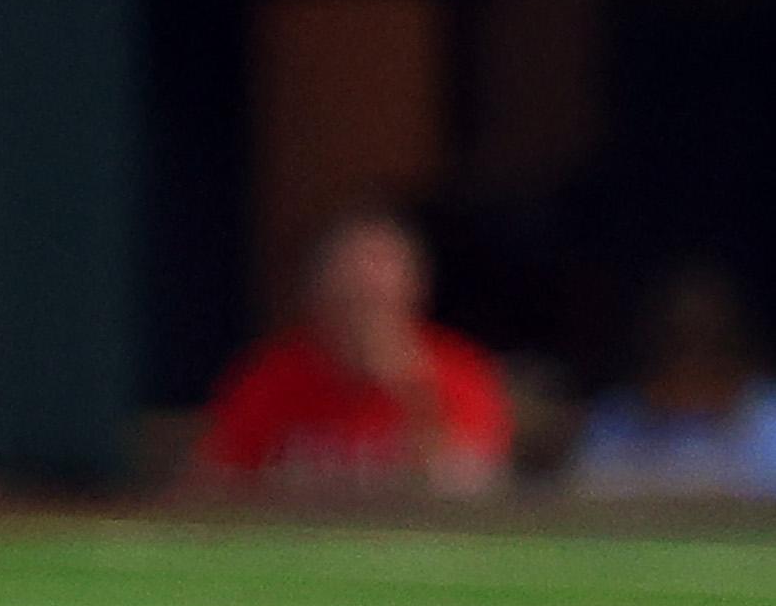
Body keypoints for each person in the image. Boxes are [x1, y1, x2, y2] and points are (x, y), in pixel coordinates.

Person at [195, 212, 512, 494]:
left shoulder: (457, 373)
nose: (365, 306)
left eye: (378, 296)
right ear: (317, 292)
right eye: (352, 293)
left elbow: (477, 491)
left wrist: (410, 390)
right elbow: (212, 484)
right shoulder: (273, 377)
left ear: (414, 289)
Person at [569, 265, 776, 497]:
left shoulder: (769, 422)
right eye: (679, 342)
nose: (694, 360)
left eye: (710, 341)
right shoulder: (613, 424)